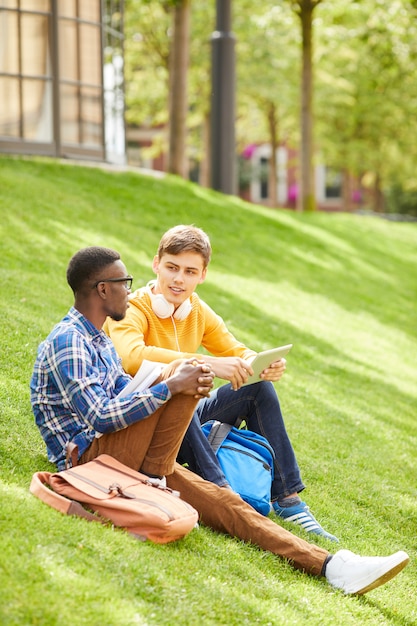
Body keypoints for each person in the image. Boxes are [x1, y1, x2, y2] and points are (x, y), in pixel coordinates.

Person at [30, 246, 409, 595]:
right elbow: (100, 416)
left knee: (228, 506)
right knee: (179, 372)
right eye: (123, 284)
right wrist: (171, 385)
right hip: (91, 460)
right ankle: (161, 478)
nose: (129, 292)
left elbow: (124, 391)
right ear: (101, 290)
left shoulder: (97, 340)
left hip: (135, 456)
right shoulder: (70, 341)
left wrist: (178, 381)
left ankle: (332, 566)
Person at [103, 225, 336, 541]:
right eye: (171, 267)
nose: (178, 279)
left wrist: (261, 363)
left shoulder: (196, 311)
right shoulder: (131, 308)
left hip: (187, 422)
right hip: (141, 422)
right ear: (156, 263)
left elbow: (235, 350)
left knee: (258, 390)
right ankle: (224, 494)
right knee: (178, 390)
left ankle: (288, 500)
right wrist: (209, 363)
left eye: (189, 271)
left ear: (202, 275)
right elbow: (132, 357)